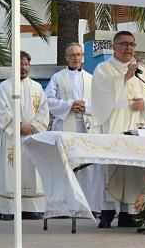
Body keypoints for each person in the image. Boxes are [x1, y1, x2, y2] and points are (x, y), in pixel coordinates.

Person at [90, 31, 145, 228]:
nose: (128, 48)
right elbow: (101, 98)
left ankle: (129, 213)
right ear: (114, 46)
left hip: (136, 128)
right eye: (123, 44)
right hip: (114, 126)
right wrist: (124, 78)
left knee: (134, 169)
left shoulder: (141, 71)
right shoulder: (104, 69)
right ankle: (106, 212)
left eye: (132, 44)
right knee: (111, 168)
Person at [44, 42, 100, 213]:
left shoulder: (91, 79)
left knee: (87, 166)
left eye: (79, 55)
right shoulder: (57, 78)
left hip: (86, 127)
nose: (76, 58)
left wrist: (86, 107)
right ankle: (65, 207)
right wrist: (69, 105)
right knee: (65, 165)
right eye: (72, 55)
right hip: (65, 125)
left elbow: (101, 102)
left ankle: (88, 206)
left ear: (83, 57)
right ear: (66, 57)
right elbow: (47, 101)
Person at [0, 51, 49, 220]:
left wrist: (32, 126)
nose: (23, 67)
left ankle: (32, 208)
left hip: (32, 137)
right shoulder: (5, 87)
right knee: (11, 173)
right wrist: (17, 126)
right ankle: (8, 210)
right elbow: (1, 112)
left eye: (26, 64)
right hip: (12, 139)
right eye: (20, 64)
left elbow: (43, 111)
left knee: (31, 172)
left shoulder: (37, 88)